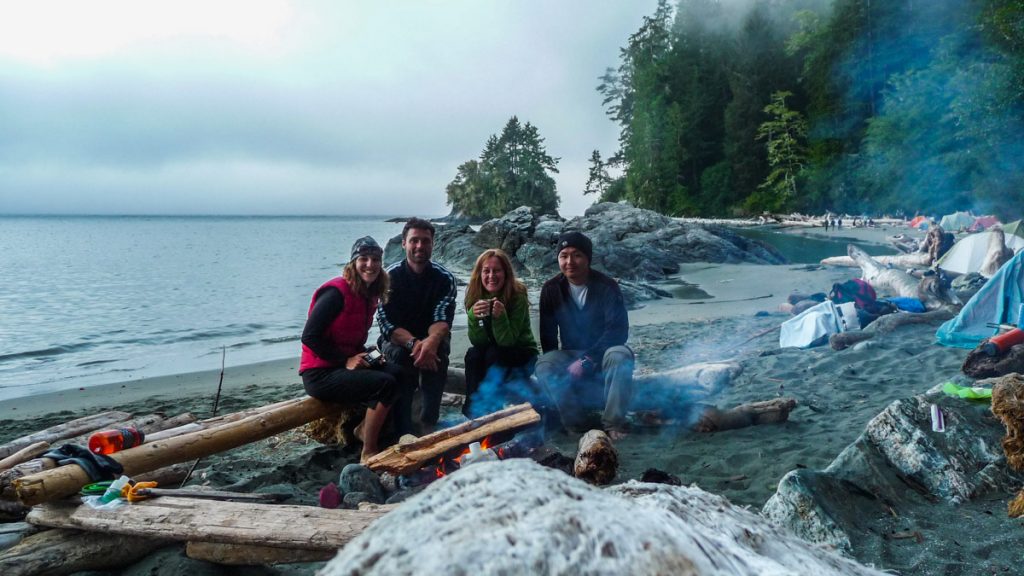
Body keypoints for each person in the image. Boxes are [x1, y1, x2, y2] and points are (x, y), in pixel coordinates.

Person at [299, 236, 399, 462]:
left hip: (340, 364)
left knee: (397, 372)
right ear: (353, 262)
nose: (370, 265)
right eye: (363, 258)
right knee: (385, 385)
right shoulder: (336, 293)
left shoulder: (368, 294)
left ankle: (369, 428)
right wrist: (345, 360)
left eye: (375, 259)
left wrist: (368, 355)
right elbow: (309, 336)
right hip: (319, 373)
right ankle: (369, 449)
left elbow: (349, 339)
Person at [535, 231, 634, 439]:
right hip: (570, 353)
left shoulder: (607, 286)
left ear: (588, 258)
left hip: (605, 353)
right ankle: (575, 423)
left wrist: (588, 359)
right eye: (564, 255)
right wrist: (559, 379)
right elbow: (548, 335)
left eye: (576, 254)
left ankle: (613, 423)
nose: (570, 261)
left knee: (620, 355)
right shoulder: (551, 289)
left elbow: (618, 331)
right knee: (544, 364)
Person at [377, 218, 457, 435]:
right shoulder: (388, 278)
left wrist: (430, 343)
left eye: (425, 241)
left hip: (430, 337)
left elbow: (441, 319)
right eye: (414, 241)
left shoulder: (444, 278)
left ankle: (429, 421)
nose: (420, 246)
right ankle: (403, 428)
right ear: (404, 243)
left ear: (433, 244)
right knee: (402, 360)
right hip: (397, 340)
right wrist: (415, 344)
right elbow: (387, 325)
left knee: (438, 353)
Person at [463, 249, 539, 417]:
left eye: (497, 270)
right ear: (479, 273)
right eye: (486, 271)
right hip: (492, 354)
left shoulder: (517, 295)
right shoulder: (475, 293)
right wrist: (473, 317)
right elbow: (478, 342)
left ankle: (493, 408)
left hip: (523, 353)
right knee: (473, 354)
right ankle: (472, 410)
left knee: (494, 353)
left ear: (505, 273)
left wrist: (500, 317)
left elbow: (507, 341)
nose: (491, 276)